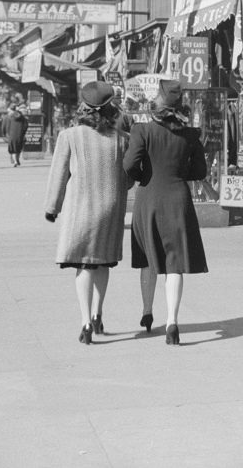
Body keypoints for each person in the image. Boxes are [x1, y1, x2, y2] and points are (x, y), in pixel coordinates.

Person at [44, 82, 131, 345]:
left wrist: (52, 208)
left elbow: (59, 175)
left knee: (84, 264)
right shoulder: (121, 139)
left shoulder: (69, 136)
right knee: (103, 261)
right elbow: (128, 178)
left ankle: (85, 322)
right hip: (110, 209)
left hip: (81, 210)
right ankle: (97, 313)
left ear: (83, 107)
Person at [123, 79, 207, 345]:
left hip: (148, 199)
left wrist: (144, 177)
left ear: (157, 103)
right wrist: (179, 175)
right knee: (175, 263)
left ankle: (147, 311)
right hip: (178, 201)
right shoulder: (190, 135)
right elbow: (200, 171)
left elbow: (129, 165)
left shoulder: (142, 131)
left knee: (147, 258)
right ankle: (172, 321)